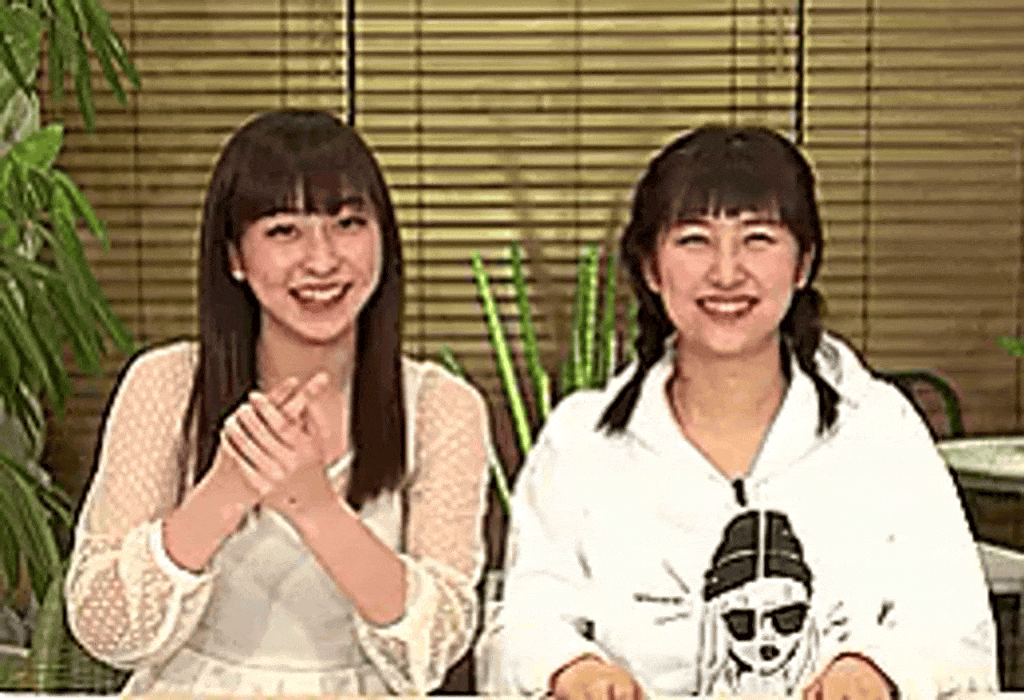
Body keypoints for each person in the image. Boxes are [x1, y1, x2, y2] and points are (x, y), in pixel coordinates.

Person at [494, 125, 998, 699]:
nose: (726, 273)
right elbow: (525, 622)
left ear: (803, 263)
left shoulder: (879, 429)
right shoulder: (582, 439)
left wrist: (877, 669)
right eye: (694, 240)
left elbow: (954, 623)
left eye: (758, 239)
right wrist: (571, 668)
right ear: (651, 267)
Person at [64, 110, 492, 695]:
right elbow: (107, 630)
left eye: (348, 224)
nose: (322, 260)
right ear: (235, 257)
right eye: (284, 231)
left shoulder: (442, 406)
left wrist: (314, 506)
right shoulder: (166, 384)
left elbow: (434, 648)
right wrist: (226, 488)